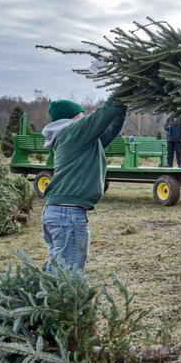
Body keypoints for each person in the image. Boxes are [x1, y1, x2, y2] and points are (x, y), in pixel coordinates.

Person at [41, 97, 127, 271]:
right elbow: (100, 117)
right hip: (67, 215)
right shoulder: (72, 132)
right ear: (71, 117)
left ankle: (45, 297)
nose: (84, 118)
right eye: (82, 115)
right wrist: (123, 90)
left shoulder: (80, 139)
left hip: (59, 213)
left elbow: (109, 130)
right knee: (68, 276)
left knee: (57, 271)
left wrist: (123, 105)